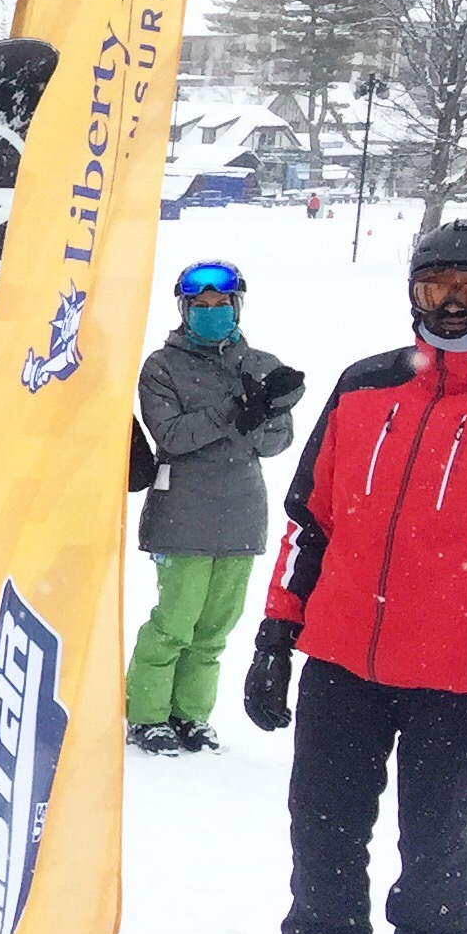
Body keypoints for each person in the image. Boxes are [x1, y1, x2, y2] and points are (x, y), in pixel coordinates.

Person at [245, 219, 467, 934]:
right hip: (341, 661)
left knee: (435, 845)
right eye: (434, 288)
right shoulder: (365, 387)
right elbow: (312, 522)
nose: (449, 307)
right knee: (324, 834)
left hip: (460, 677)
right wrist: (277, 634)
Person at [126, 258, 302, 753]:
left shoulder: (261, 365)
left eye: (219, 304)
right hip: (182, 513)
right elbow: (172, 435)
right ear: (184, 310)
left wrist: (266, 411)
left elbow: (276, 443)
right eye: (199, 306)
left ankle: (192, 715)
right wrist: (234, 411)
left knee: (213, 632)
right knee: (173, 624)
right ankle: (147, 715)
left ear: (236, 306)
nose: (210, 312)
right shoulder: (162, 367)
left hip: (242, 516)